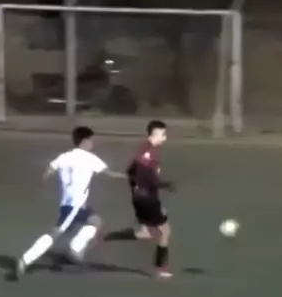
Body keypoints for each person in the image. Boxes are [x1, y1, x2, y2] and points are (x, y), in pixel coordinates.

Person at [14, 126, 123, 280]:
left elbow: (50, 169)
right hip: (75, 207)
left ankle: (74, 248)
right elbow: (110, 173)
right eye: (91, 140)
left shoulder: (65, 156)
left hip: (70, 204)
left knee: (96, 221)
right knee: (55, 234)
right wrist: (130, 177)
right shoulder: (90, 158)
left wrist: (46, 180)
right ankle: (25, 259)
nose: (93, 143)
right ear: (85, 141)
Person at [126, 119, 174, 279]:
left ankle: (137, 232)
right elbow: (145, 174)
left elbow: (130, 171)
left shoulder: (144, 149)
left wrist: (135, 189)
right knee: (165, 231)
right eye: (163, 134)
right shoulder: (150, 152)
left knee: (150, 229)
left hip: (141, 198)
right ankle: (161, 268)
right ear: (153, 135)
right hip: (147, 198)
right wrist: (163, 184)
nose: (165, 137)